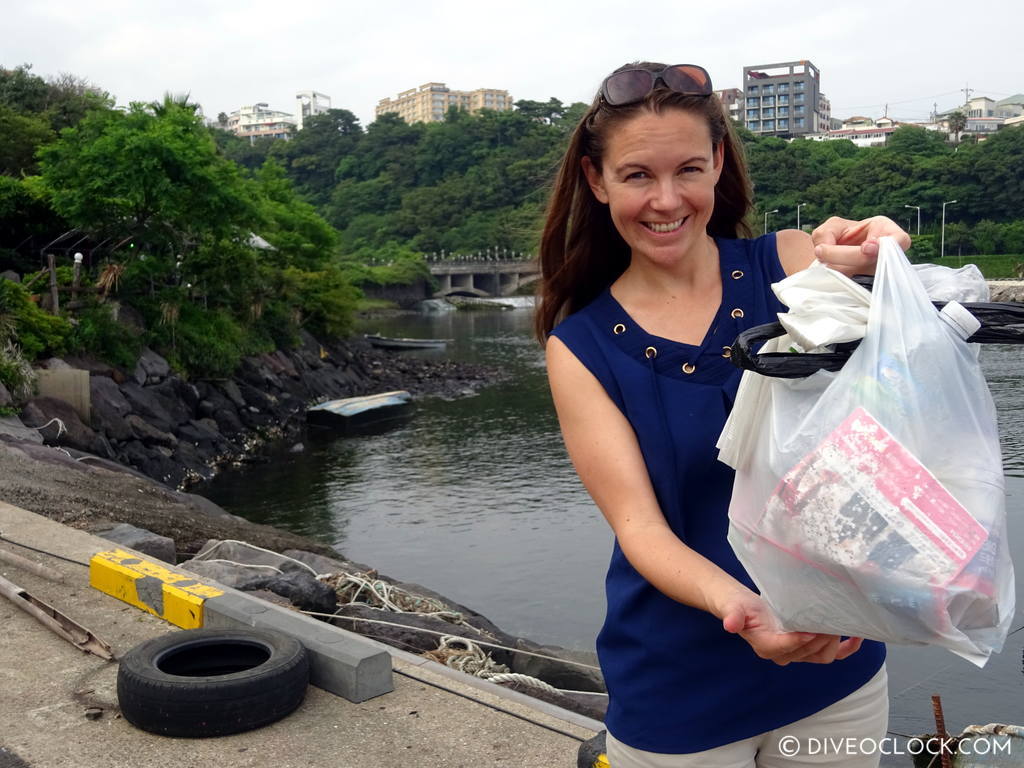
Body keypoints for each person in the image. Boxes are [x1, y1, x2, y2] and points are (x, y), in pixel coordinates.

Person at [537, 62, 913, 767]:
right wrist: (745, 611)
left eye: (687, 170)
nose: (666, 200)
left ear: (717, 165)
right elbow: (640, 527)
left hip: (836, 663)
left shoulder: (793, 265)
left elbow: (889, 405)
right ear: (597, 181)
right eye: (637, 176)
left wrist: (874, 273)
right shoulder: (580, 347)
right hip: (676, 686)